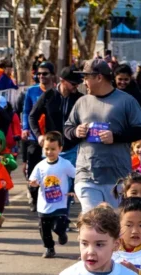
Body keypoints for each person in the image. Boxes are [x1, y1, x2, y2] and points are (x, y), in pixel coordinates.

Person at [64, 59, 141, 212]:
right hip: (86, 174)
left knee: (114, 224)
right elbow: (68, 128)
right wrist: (76, 132)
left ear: (98, 77)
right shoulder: (81, 102)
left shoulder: (126, 101)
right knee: (94, 217)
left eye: (86, 77)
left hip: (117, 177)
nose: (84, 82)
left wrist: (115, 137)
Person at [28, 132, 75, 258]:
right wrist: (34, 183)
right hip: (44, 204)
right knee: (44, 229)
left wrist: (73, 190)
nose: (49, 152)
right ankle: (49, 248)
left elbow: (76, 176)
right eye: (47, 149)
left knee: (58, 226)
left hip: (60, 202)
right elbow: (33, 179)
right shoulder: (40, 165)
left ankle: (62, 233)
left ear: (60, 148)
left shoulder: (65, 164)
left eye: (53, 149)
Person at [28, 67, 83, 168]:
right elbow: (32, 116)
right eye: (73, 84)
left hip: (72, 149)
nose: (76, 86)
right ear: (62, 81)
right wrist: (38, 135)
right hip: (51, 149)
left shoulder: (80, 99)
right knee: (51, 181)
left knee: (72, 182)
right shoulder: (48, 95)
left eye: (78, 83)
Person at [21, 62, 56, 210]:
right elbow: (26, 111)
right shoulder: (32, 91)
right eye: (39, 73)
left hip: (53, 137)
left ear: (52, 75)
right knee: (34, 169)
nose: (41, 76)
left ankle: (53, 198)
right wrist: (25, 128)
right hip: (35, 138)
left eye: (45, 73)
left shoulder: (57, 91)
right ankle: (34, 198)